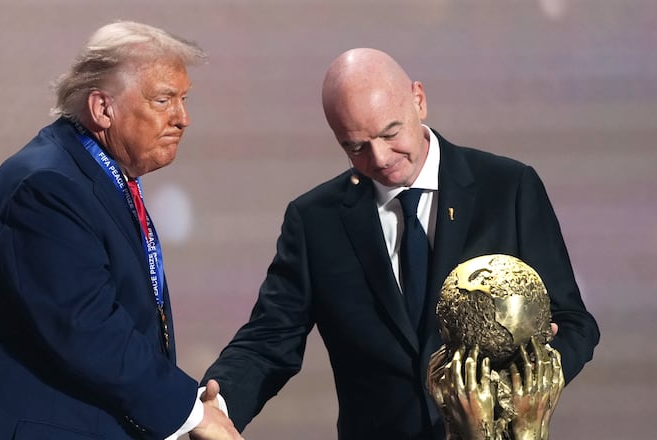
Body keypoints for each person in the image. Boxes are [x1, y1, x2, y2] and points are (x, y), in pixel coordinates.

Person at [201, 48, 599, 439]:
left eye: (390, 133)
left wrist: (518, 389)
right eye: (355, 146)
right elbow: (271, 338)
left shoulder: (507, 188)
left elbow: (572, 322)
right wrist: (216, 406)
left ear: (418, 100)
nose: (379, 158)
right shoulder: (314, 221)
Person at [0, 21, 241, 440]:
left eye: (183, 100)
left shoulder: (96, 178)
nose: (183, 119)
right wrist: (191, 413)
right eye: (164, 100)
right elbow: (88, 328)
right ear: (102, 109)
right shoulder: (46, 188)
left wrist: (188, 405)